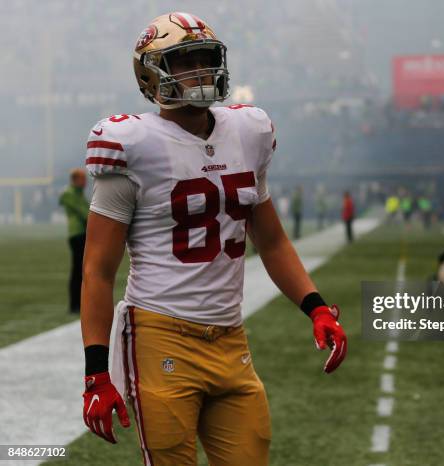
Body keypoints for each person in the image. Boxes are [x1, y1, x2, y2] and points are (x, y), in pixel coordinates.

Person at [79, 12, 347, 466]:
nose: (201, 71)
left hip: (230, 338)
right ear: (152, 75)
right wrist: (95, 376)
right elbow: (97, 271)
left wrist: (315, 305)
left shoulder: (248, 131)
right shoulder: (132, 145)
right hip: (160, 335)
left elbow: (273, 242)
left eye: (205, 59)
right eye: (186, 62)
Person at [59, 168, 89, 313]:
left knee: (82, 269)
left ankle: (80, 303)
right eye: (83, 179)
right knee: (77, 269)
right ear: (75, 180)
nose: (86, 182)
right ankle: (74, 305)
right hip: (76, 234)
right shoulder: (69, 194)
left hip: (83, 233)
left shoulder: (78, 194)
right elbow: (85, 213)